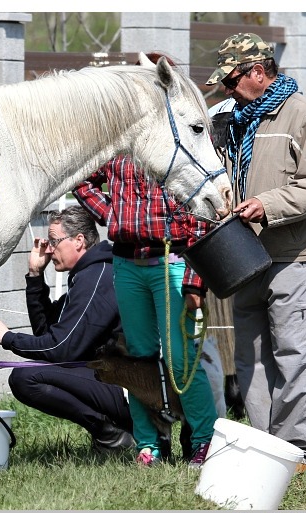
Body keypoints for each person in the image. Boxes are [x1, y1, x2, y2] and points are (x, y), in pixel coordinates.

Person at [205, 33, 306, 473]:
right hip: (245, 258)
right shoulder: (233, 120)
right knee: (250, 358)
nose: (226, 90)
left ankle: (299, 454)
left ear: (258, 72)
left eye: (232, 79)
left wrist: (267, 205)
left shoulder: (305, 115)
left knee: (296, 355)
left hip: (297, 258)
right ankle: (265, 450)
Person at [74, 154, 218, 468]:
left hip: (174, 261)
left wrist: (195, 281)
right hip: (127, 265)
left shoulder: (175, 147)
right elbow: (82, 178)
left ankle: (206, 440)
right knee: (137, 358)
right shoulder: (118, 150)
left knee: (182, 359)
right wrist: (112, 214)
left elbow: (204, 212)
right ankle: (149, 445)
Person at [0, 206, 135, 454]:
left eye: (54, 241)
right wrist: (35, 274)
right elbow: (45, 332)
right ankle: (111, 432)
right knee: (27, 375)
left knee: (25, 377)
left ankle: (111, 435)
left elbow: (60, 348)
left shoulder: (97, 277)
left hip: (128, 390)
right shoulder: (87, 275)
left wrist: (7, 338)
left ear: (79, 241)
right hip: (113, 379)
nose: (49, 249)